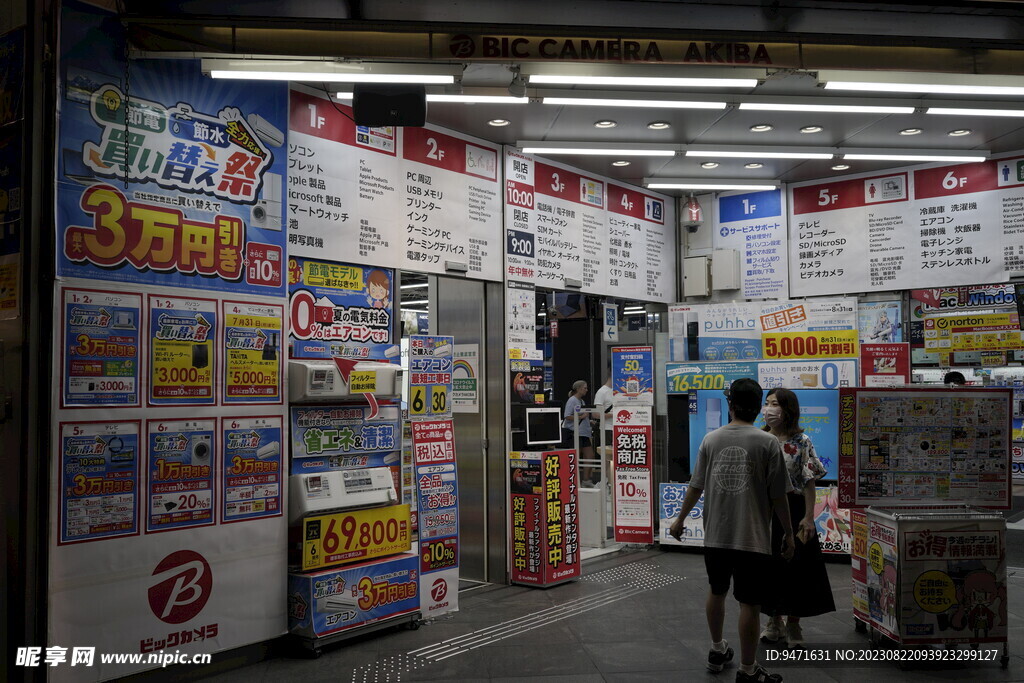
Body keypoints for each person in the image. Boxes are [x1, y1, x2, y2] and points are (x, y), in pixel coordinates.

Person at [670, 378, 794, 683]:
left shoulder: (711, 440)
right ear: (759, 407)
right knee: (749, 603)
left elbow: (695, 486)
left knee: (717, 591)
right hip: (752, 537)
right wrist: (789, 534)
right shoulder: (768, 443)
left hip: (716, 535)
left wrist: (679, 520)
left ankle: (717, 649)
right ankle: (748, 669)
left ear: (730, 405)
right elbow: (779, 496)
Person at [759, 388, 836, 648]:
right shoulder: (759, 438)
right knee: (769, 567)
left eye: (775, 404)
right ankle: (773, 620)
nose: (769, 409)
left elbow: (809, 482)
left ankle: (794, 623)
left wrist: (808, 517)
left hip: (794, 509)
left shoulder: (801, 441)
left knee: (799, 567)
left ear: (789, 409)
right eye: (767, 403)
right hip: (764, 512)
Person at [562, 380, 597, 485]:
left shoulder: (581, 401)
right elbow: (567, 416)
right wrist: (581, 417)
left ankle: (586, 480)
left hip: (584, 433)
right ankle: (573, 481)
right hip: (575, 433)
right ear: (578, 389)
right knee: (576, 457)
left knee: (590, 455)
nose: (586, 390)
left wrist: (588, 421)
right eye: (585, 388)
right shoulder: (572, 400)